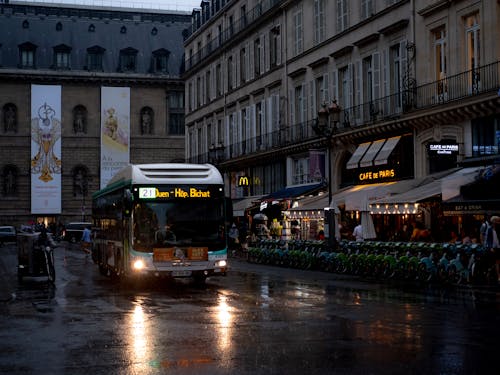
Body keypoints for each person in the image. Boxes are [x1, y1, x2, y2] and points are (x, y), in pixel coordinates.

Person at [485, 216, 500, 282]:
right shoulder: (489, 229)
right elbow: (488, 240)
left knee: (497, 262)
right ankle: (496, 275)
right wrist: (490, 247)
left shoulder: (499, 228)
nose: (498, 222)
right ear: (493, 222)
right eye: (497, 221)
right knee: (495, 262)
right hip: (493, 248)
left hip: (499, 247)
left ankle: (497, 275)